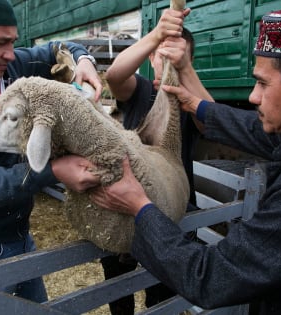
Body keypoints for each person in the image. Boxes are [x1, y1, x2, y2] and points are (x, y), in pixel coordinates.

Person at [85, 5, 281, 314]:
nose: (253, 96)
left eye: (262, 82)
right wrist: (198, 106)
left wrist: (140, 208)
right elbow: (260, 133)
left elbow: (210, 278)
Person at [100, 7, 213, 315]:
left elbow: (213, 123)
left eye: (178, 57)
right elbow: (114, 76)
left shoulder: (192, 101)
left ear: (190, 61)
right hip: (124, 207)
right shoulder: (138, 92)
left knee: (162, 294)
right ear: (151, 58)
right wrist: (157, 35)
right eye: (162, 56)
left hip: (173, 210)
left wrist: (185, 72)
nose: (168, 64)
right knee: (117, 282)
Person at [0, 0, 102, 303]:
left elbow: (57, 47)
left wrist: (83, 60)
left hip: (21, 234)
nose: (10, 53)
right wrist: (51, 171)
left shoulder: (12, 68)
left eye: (12, 42)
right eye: (0, 43)